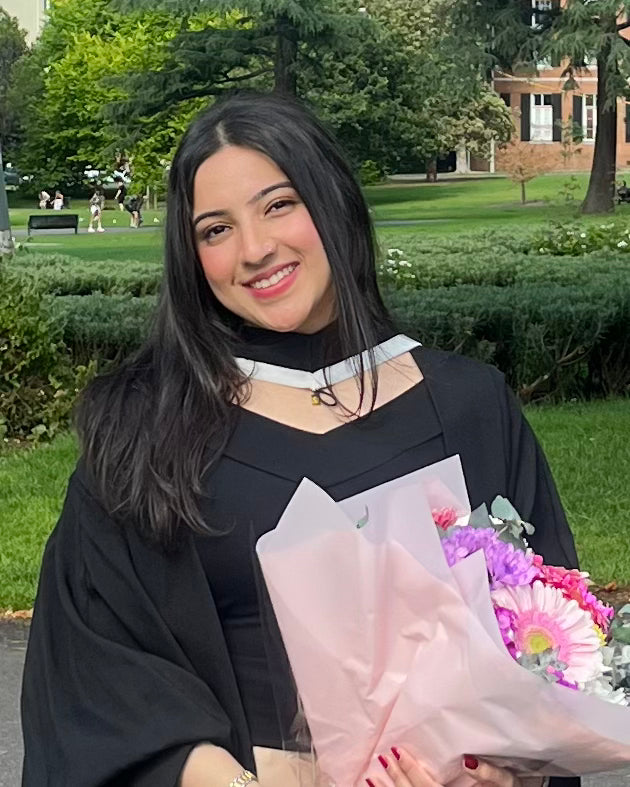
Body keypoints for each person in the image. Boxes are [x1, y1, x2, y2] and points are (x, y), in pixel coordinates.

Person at [21, 93, 581, 787]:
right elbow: (94, 677)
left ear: (334, 202)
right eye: (215, 230)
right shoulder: (144, 429)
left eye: (279, 204)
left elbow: (553, 637)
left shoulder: (470, 407)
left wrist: (508, 767)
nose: (255, 250)